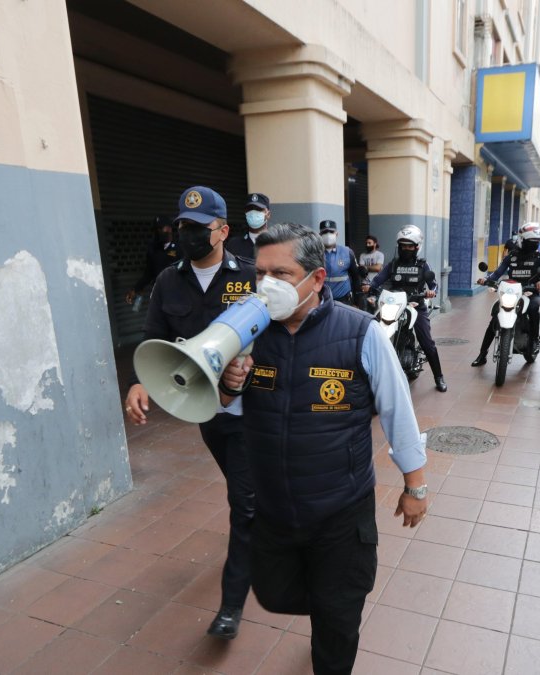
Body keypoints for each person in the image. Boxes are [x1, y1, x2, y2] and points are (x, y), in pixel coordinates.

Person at [217, 223, 428, 675]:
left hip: (340, 509)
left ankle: (333, 620)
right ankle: (327, 608)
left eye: (282, 273)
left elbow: (397, 410)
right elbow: (227, 410)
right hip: (275, 507)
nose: (266, 285)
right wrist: (227, 386)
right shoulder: (247, 333)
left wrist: (416, 485)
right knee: (273, 594)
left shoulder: (360, 333)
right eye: (261, 273)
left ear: (316, 279)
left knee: (337, 621)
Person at [122, 186, 256, 640]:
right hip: (209, 415)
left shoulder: (251, 277)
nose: (187, 235)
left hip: (252, 410)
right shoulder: (168, 281)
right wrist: (141, 381)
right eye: (182, 227)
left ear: (222, 231)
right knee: (247, 494)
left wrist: (250, 370)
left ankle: (231, 607)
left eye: (198, 229)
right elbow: (154, 338)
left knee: (246, 503)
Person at [363, 225, 448, 392]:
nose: (406, 249)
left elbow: (434, 284)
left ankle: (439, 377)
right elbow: (378, 280)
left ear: (417, 247)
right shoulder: (392, 265)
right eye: (403, 245)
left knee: (427, 342)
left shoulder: (423, 265)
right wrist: (369, 286)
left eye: (410, 246)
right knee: (375, 332)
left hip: (416, 305)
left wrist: (431, 292)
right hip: (393, 304)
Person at [472, 223, 540, 367]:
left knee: (534, 308)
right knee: (495, 316)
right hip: (511, 292)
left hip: (531, 292)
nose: (533, 245)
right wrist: (487, 280)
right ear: (521, 239)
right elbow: (499, 271)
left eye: (536, 242)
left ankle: (533, 341)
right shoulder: (512, 255)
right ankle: (482, 354)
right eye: (530, 242)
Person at [124, 216, 181, 307]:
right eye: (157, 229)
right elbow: (148, 273)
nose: (159, 231)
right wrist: (135, 289)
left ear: (169, 229)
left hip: (178, 297)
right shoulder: (153, 249)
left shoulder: (180, 248)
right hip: (160, 296)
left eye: (161, 228)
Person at [319, 220, 360, 305]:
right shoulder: (315, 253)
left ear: (336, 234)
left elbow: (356, 277)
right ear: (320, 235)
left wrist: (356, 302)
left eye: (331, 232)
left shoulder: (347, 252)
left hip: (344, 301)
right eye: (325, 232)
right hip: (322, 301)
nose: (328, 235)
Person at [226, 192, 271, 262]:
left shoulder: (276, 243)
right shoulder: (233, 245)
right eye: (250, 209)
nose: (253, 212)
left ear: (268, 214)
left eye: (258, 209)